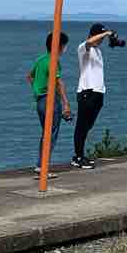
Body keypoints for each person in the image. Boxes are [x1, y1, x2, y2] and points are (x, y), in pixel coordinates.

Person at [26, 31, 72, 177]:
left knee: (46, 134)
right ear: (59, 46)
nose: (66, 48)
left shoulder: (41, 60)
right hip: (51, 100)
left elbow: (30, 76)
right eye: (65, 45)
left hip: (40, 101)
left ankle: (40, 165)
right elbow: (59, 83)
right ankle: (43, 167)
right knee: (51, 134)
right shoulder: (54, 61)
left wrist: (37, 89)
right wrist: (66, 103)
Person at [72, 23, 115, 170]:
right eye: (100, 36)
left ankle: (80, 155)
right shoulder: (83, 48)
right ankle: (78, 157)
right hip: (87, 91)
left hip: (97, 92)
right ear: (94, 34)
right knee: (81, 126)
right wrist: (106, 33)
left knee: (87, 126)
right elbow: (89, 42)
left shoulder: (98, 51)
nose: (101, 40)